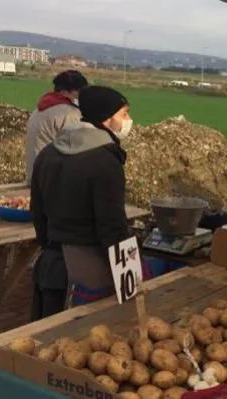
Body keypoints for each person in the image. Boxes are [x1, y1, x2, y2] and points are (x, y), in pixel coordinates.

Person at [31, 86, 133, 310]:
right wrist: (129, 277)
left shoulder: (47, 153)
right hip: (88, 274)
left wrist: (49, 245)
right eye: (124, 114)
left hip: (51, 266)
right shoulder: (106, 162)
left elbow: (37, 213)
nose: (128, 120)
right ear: (106, 119)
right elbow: (112, 226)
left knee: (45, 338)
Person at [25, 70, 89, 185]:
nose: (81, 96)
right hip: (51, 182)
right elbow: (78, 149)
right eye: (78, 92)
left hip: (34, 175)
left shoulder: (42, 107)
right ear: (64, 92)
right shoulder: (69, 113)